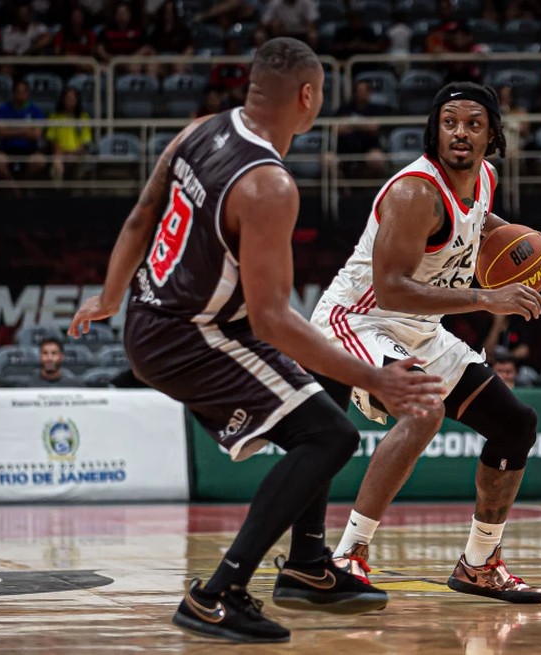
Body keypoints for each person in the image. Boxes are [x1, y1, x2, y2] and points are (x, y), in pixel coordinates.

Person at [67, 37, 444, 644]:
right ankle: (217, 594)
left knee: (319, 404)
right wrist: (373, 377)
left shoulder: (199, 131)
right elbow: (272, 319)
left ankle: (308, 565)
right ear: (308, 96)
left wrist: (111, 297)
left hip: (157, 314)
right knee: (329, 434)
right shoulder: (268, 185)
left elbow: (141, 216)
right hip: (189, 334)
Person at [275, 81, 541, 610]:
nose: (460, 133)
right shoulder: (414, 192)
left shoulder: (485, 178)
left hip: (419, 328)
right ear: (434, 129)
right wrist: (486, 297)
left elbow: (475, 225)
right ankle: (349, 555)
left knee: (516, 424)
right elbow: (394, 285)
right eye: (450, 122)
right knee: (424, 411)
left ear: (492, 134)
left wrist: (521, 250)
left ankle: (480, 563)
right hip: (358, 318)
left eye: (473, 123)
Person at [0, 77, 48, 197]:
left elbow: (36, 134)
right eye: (18, 92)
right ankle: (15, 189)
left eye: (23, 92)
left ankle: (24, 183)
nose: (20, 95)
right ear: (13, 93)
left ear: (28, 94)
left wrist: (11, 130)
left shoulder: (35, 111)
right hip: (7, 149)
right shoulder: (3, 109)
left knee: (40, 161)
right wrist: (25, 131)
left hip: (29, 150)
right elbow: (1, 132)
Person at [45, 87, 93, 182]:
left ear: (77, 101)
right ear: (63, 100)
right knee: (56, 165)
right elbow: (52, 139)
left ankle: (77, 193)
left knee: (87, 161)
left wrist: (74, 153)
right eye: (67, 98)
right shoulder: (54, 116)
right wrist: (62, 153)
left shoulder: (84, 117)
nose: (70, 101)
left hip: (78, 154)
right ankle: (58, 193)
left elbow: (86, 141)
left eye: (73, 99)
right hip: (60, 154)